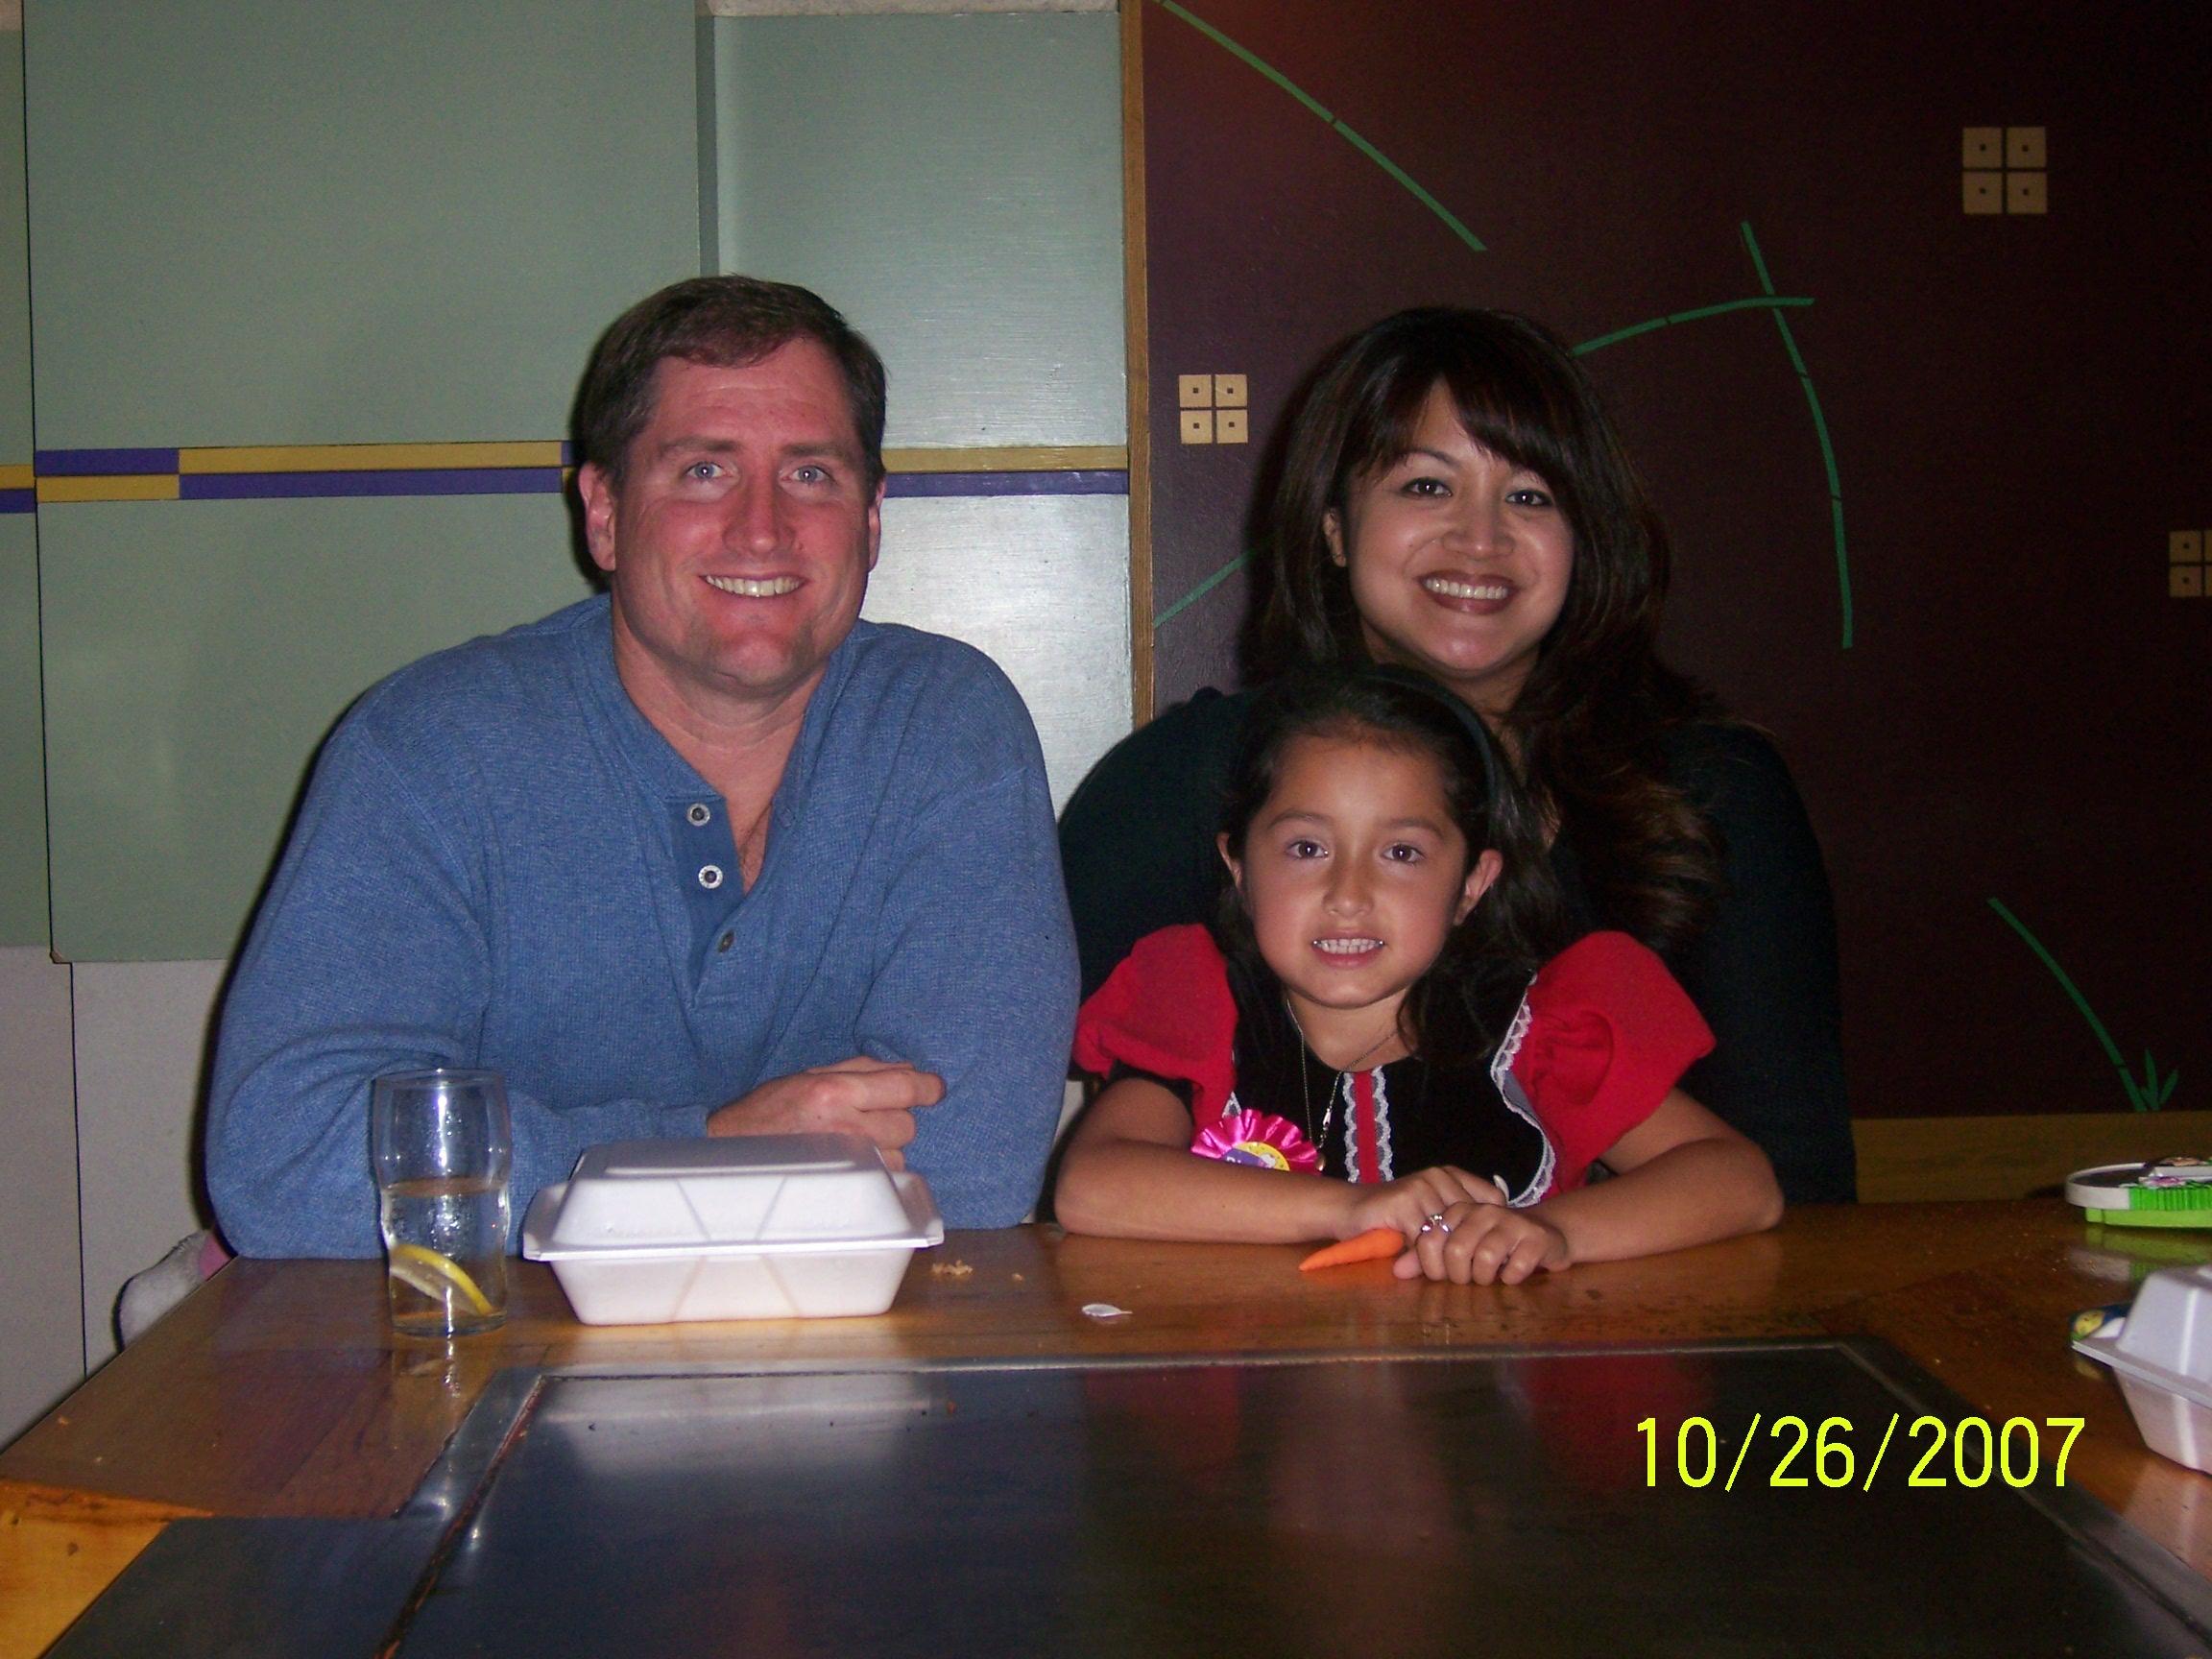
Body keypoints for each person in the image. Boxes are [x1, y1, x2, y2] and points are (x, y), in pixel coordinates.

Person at [207, 276, 1078, 1256]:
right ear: (605, 514)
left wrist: (591, 1177)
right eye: (704, 471)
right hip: (492, 1339)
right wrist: (705, 1148)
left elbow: (971, 1168)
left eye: (810, 474)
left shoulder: (945, 728)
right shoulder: (430, 749)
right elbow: (285, 1165)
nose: (762, 527)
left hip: (848, 1333)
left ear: (872, 518)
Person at [1058, 307, 1853, 1203]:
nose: (1482, 538)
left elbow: (1795, 1185)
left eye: (1531, 497)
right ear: (1334, 526)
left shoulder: (1710, 789)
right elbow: (1055, 1129)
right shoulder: (1190, 777)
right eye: (1427, 486)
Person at [1054, 669, 1782, 1281]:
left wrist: (1558, 1233)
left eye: (1401, 854)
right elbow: (1091, 1187)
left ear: (1472, 884)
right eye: (1306, 848)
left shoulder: (1541, 1029)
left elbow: (1739, 1181)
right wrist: (1348, 1209)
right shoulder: (1198, 1006)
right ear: (1239, 867)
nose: (1348, 895)